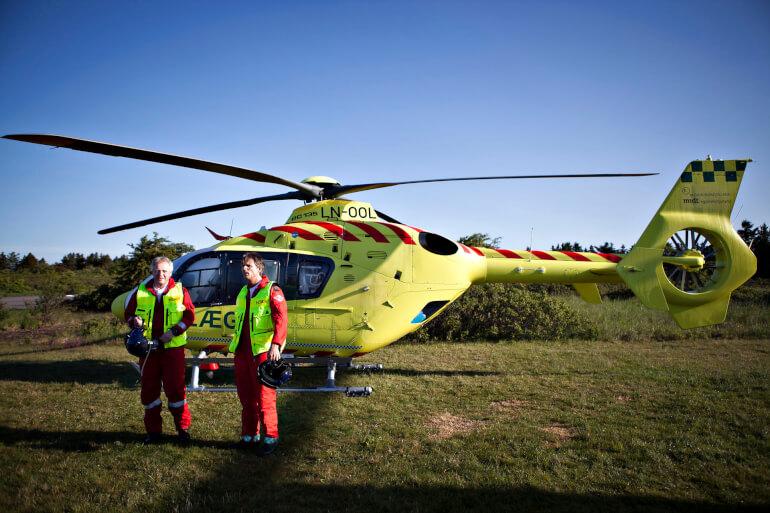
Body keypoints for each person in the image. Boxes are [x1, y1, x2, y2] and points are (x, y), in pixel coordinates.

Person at [125, 256, 195, 444]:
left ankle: (183, 430)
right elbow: (128, 314)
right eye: (157, 270)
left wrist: (173, 332)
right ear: (152, 271)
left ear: (170, 273)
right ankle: (154, 432)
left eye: (164, 271)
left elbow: (189, 316)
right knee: (149, 391)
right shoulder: (140, 292)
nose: (160, 274)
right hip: (148, 350)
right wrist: (134, 322)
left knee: (176, 391)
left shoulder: (181, 291)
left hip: (173, 350)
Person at [229, 252, 288, 455]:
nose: (245, 269)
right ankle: (249, 436)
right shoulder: (242, 293)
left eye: (249, 266)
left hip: (262, 353)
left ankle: (271, 437)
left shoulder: (272, 290)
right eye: (243, 266)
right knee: (246, 397)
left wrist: (276, 345)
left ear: (259, 269)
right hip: (243, 353)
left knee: (265, 397)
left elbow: (281, 319)